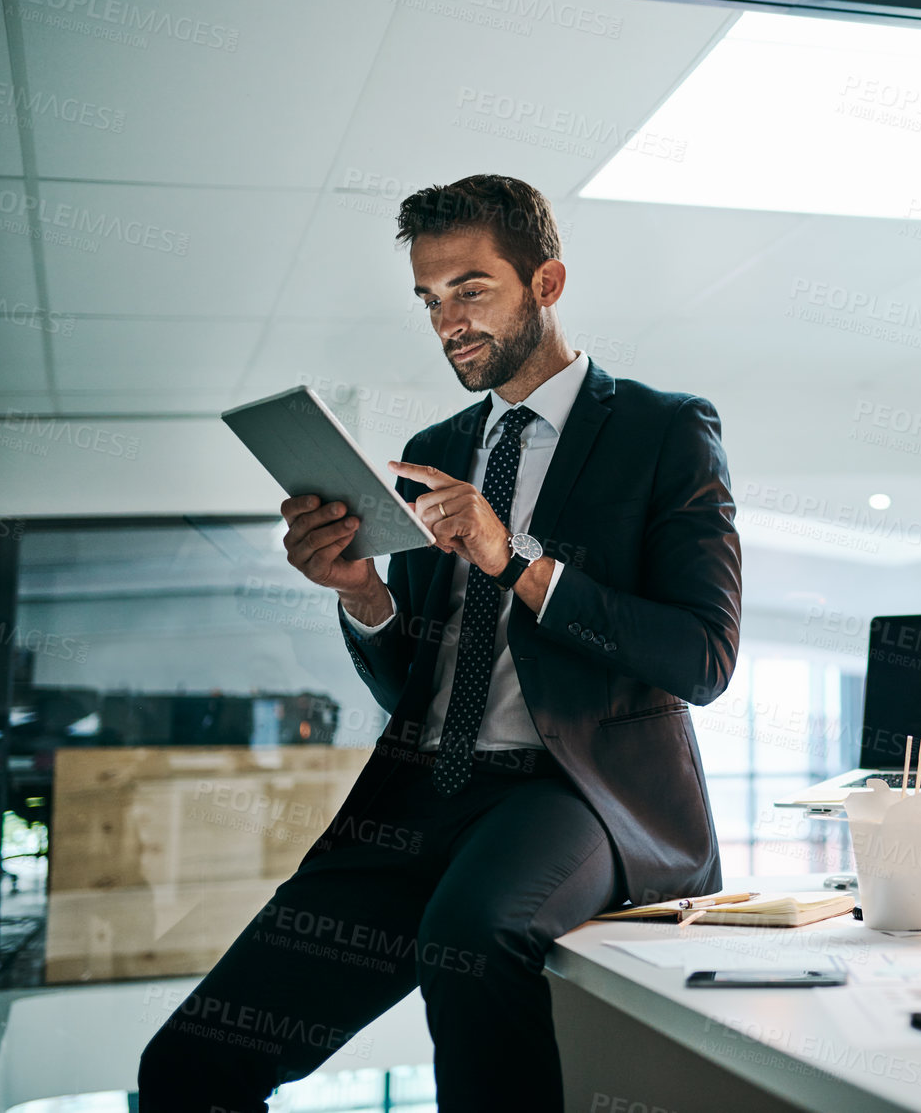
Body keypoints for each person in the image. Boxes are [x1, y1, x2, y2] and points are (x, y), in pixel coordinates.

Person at [139, 174, 741, 1112]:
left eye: (469, 288)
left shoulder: (664, 431)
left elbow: (703, 656)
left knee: (468, 940)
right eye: (428, 298)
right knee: (186, 1068)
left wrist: (520, 562)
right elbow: (414, 681)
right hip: (420, 789)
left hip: (571, 788)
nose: (447, 321)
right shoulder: (437, 444)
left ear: (547, 283)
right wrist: (363, 593)